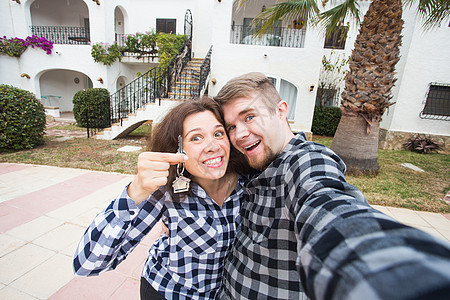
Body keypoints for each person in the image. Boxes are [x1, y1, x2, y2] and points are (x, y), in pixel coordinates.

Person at [214, 72, 450, 299]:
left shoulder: (306, 161)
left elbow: (329, 209)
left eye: (249, 117)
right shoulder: (253, 166)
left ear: (281, 111)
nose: (239, 134)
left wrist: (393, 273)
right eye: (231, 127)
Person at [73, 97, 251, 299]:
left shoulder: (248, 183)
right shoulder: (166, 191)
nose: (212, 146)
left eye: (218, 133)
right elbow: (87, 264)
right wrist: (136, 190)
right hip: (167, 292)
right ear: (177, 150)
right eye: (195, 138)